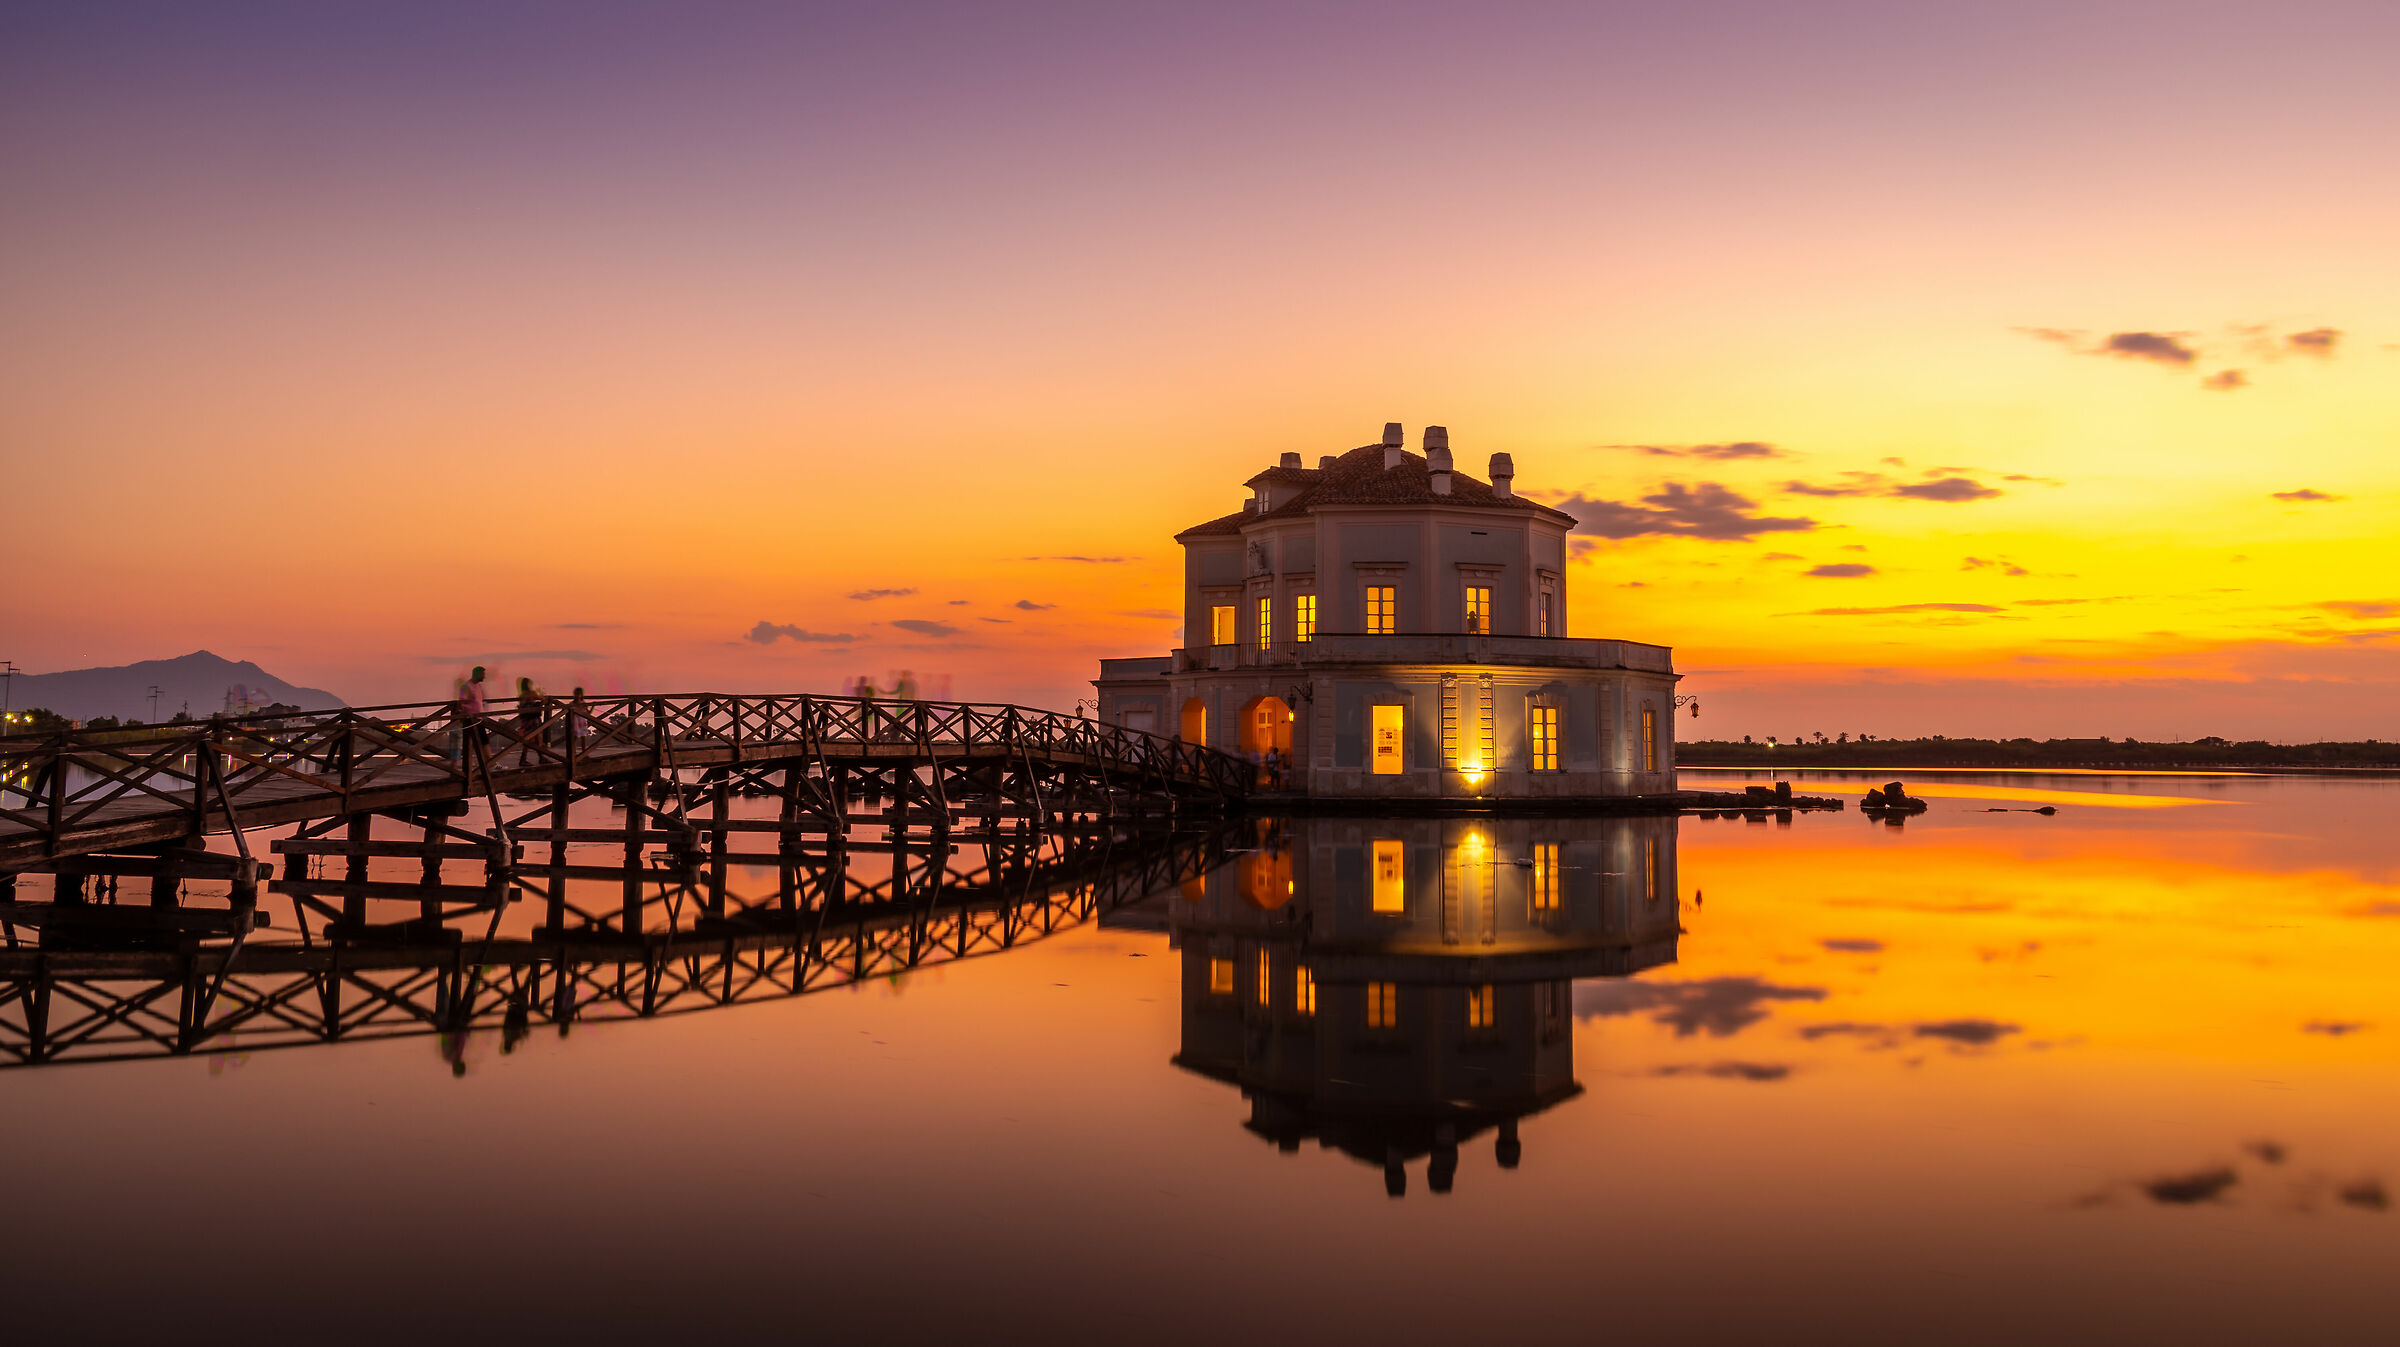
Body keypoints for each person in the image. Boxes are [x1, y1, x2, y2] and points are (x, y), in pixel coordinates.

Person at [451, 666, 489, 766]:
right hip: (471, 720)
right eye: (483, 675)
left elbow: (481, 701)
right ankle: (488, 764)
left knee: (478, 743)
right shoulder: (467, 686)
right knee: (478, 743)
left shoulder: (478, 686)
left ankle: (487, 763)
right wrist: (465, 713)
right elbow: (461, 703)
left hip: (479, 719)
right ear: (477, 674)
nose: (484, 677)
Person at [514, 676, 545, 764]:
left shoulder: (521, 694)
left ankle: (538, 757)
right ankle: (538, 758)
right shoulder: (531, 693)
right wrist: (540, 693)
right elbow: (542, 699)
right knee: (537, 738)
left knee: (529, 738)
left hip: (525, 719)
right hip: (532, 719)